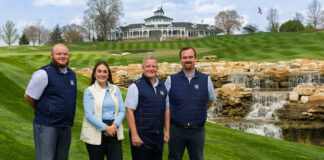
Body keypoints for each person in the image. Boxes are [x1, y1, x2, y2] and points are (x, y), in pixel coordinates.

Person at [24, 43, 77, 160]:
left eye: (65, 54)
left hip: (66, 125)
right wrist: (44, 111)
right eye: (58, 54)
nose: (62, 56)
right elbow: (29, 97)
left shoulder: (72, 74)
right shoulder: (43, 73)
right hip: (47, 125)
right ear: (51, 55)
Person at [166, 47, 216, 160]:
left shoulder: (205, 79)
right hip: (176, 130)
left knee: (198, 158)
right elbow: (165, 104)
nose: (187, 60)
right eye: (184, 57)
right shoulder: (171, 80)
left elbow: (210, 100)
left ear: (195, 59)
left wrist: (198, 110)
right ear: (180, 60)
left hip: (197, 130)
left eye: (190, 57)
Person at [125, 56, 170, 160]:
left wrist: (167, 131)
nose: (151, 69)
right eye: (148, 66)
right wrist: (134, 134)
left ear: (157, 68)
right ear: (143, 68)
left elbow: (167, 109)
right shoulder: (135, 86)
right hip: (141, 137)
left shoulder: (163, 86)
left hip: (158, 136)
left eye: (154, 66)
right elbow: (129, 111)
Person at [80, 60, 125, 160]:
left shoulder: (115, 89)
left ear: (108, 74)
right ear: (94, 73)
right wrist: (106, 128)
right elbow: (89, 115)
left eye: (105, 71)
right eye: (99, 71)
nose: (102, 74)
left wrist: (114, 126)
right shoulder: (89, 91)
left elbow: (122, 110)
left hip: (114, 130)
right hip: (96, 131)